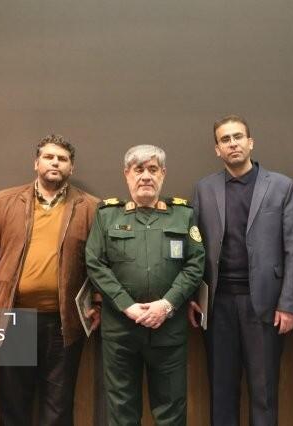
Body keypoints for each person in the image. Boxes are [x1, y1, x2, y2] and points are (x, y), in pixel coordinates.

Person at [0, 134, 100, 425]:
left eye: (62, 159)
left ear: (72, 167)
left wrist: (97, 303)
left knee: (58, 407)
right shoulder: (4, 200)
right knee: (13, 404)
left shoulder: (91, 207)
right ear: (36, 163)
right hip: (14, 318)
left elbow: (100, 261)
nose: (55, 162)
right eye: (49, 157)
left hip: (64, 322)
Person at [189, 114, 293, 426]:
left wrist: (289, 304)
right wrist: (193, 298)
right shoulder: (204, 189)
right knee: (221, 389)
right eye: (225, 139)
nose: (233, 143)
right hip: (218, 305)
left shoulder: (281, 186)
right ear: (217, 149)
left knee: (264, 391)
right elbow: (194, 250)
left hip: (265, 305)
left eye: (238, 137)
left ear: (250, 142)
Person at [85, 144, 205, 426]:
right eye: (138, 170)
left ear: (163, 173)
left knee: (171, 411)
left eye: (153, 169)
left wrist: (167, 304)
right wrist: (127, 306)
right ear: (127, 174)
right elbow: (95, 263)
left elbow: (195, 263)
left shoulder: (183, 214)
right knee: (121, 410)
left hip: (168, 330)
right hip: (121, 331)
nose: (146, 176)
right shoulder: (107, 215)